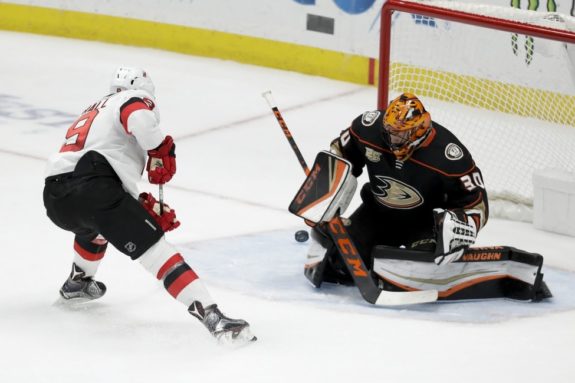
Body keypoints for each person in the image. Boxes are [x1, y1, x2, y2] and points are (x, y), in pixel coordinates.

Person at [43, 67, 255, 343]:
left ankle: (78, 282)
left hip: (56, 197)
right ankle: (215, 319)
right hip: (93, 186)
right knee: (156, 250)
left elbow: (98, 191)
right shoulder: (132, 99)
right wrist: (158, 147)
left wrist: (137, 209)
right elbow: (136, 115)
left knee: (95, 225)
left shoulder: (94, 110)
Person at [304, 92, 489, 287]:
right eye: (389, 130)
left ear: (419, 130)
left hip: (424, 224)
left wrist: (459, 229)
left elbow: (475, 204)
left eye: (400, 133)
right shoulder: (368, 128)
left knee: (415, 275)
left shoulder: (449, 156)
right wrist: (322, 191)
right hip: (377, 214)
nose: (392, 138)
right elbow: (341, 155)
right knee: (335, 263)